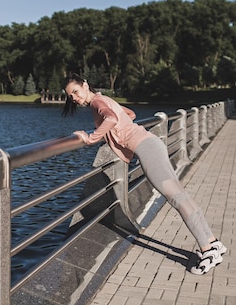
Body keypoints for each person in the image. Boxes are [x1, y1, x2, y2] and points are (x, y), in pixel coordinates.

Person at [62, 73, 226, 275]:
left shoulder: (97, 103)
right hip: (151, 143)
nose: (75, 98)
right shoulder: (104, 99)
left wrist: (91, 138)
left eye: (76, 92)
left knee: (176, 198)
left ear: (85, 85)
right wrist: (116, 129)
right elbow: (128, 114)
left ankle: (207, 250)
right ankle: (212, 242)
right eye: (71, 96)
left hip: (146, 149)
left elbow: (112, 118)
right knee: (181, 195)